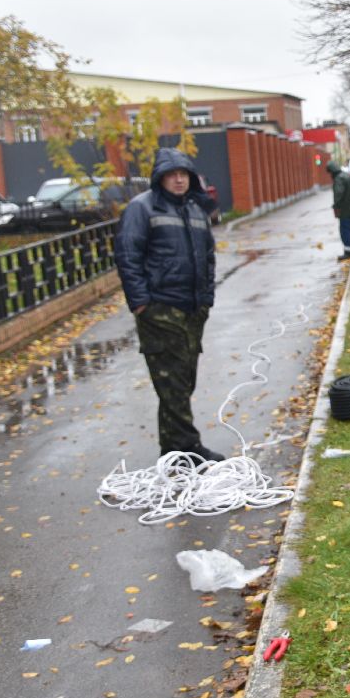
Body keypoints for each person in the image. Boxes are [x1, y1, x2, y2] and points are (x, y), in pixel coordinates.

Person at [115, 148, 224, 463]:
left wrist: (206, 299)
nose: (179, 179)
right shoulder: (141, 209)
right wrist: (141, 304)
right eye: (172, 174)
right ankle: (188, 448)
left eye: (184, 174)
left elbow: (208, 257)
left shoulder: (194, 210)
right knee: (172, 382)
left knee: (182, 381)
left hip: (192, 310)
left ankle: (174, 451)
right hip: (160, 310)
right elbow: (127, 256)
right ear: (159, 177)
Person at [326, 161, 350, 259]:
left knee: (344, 231)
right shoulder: (347, 176)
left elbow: (338, 193)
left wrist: (336, 205)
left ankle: (348, 252)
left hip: (344, 210)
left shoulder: (339, 179)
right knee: (349, 229)